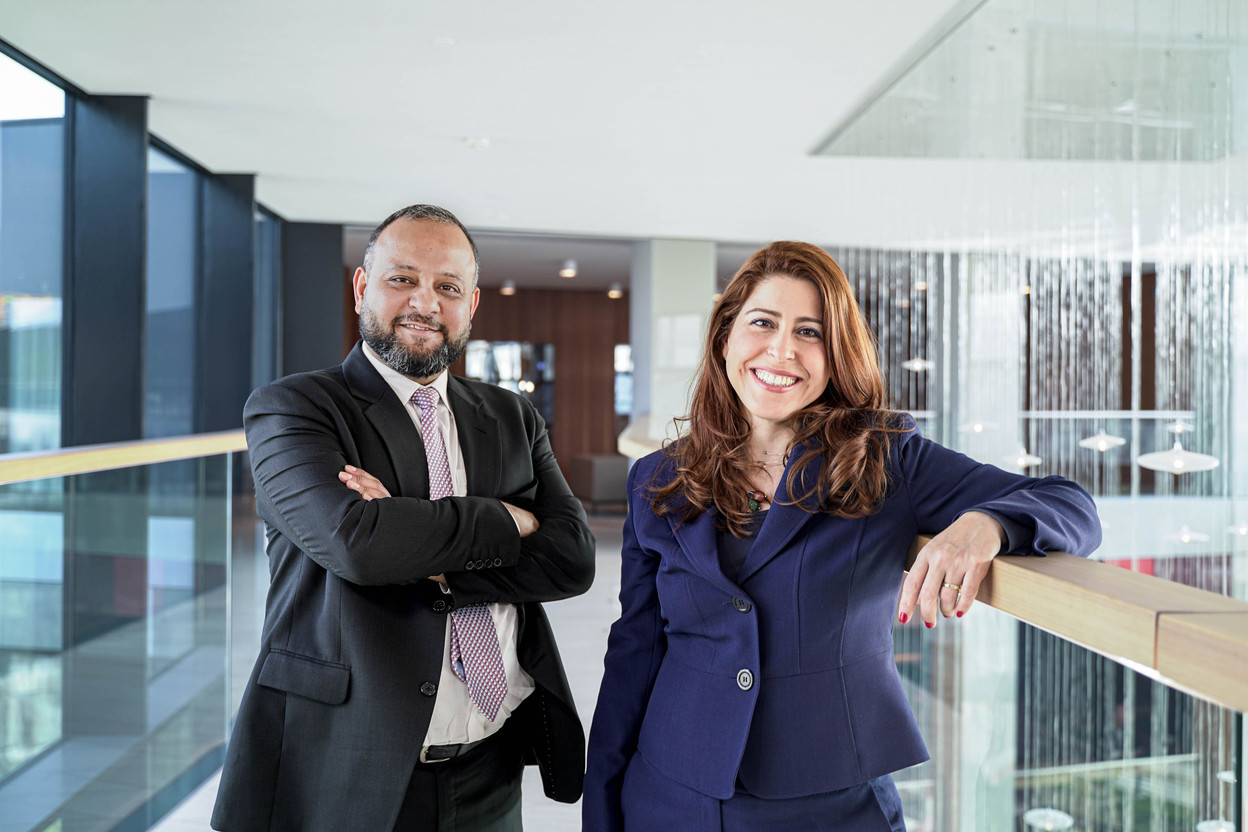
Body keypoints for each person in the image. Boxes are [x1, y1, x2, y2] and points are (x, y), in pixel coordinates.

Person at [581, 241, 1101, 831]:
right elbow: (634, 654)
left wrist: (985, 525)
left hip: (830, 801)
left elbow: (1071, 504)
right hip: (671, 791)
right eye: (763, 322)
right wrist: (602, 809)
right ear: (726, 336)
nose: (782, 350)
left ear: (836, 356)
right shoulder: (658, 477)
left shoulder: (886, 459)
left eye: (811, 332)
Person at [211, 204, 595, 832]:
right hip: (345, 764)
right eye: (402, 279)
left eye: (448, 287)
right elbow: (358, 546)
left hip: (489, 762)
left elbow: (573, 559)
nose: (426, 302)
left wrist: (416, 540)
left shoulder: (510, 417)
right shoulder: (295, 408)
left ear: (472, 304)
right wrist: (509, 519)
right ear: (363, 287)